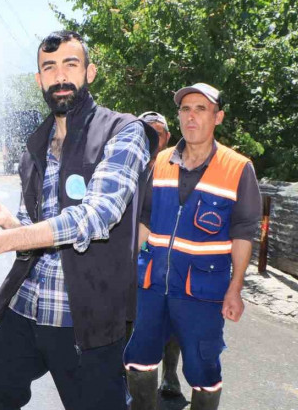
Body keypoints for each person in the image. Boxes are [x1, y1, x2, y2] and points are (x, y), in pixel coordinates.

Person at [0, 30, 155, 410]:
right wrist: (6, 221)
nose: (60, 76)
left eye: (70, 65)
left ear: (89, 72)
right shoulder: (35, 146)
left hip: (84, 321)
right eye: (49, 67)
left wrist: (4, 240)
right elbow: (35, 235)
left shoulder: (124, 132)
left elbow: (97, 216)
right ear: (39, 80)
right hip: (24, 310)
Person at [123, 83, 262, 410]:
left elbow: (243, 232)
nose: (191, 116)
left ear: (218, 117)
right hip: (153, 285)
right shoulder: (159, 162)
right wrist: (124, 270)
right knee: (139, 359)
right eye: (186, 109)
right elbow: (144, 220)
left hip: (202, 291)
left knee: (203, 369)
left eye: (201, 109)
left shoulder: (238, 168)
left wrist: (235, 289)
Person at [127, 111, 183, 401]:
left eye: (157, 132)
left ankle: (170, 373)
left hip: (164, 256)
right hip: (129, 255)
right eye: (145, 130)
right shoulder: (124, 163)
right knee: (129, 319)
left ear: (167, 138)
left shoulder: (176, 168)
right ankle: (130, 382)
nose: (151, 137)